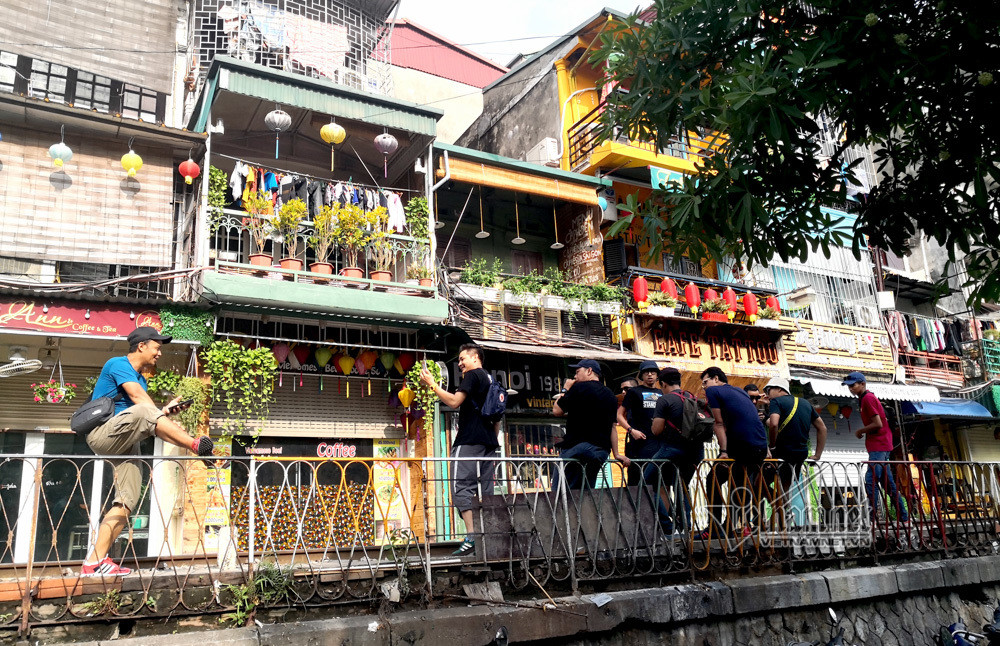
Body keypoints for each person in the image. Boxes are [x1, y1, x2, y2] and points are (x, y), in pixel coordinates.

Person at [82, 327, 214, 577]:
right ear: (141, 346)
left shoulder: (140, 378)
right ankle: (196, 445)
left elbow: (149, 423)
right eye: (157, 347)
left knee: (127, 501)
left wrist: (163, 414)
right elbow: (140, 404)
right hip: (101, 434)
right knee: (145, 410)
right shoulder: (118, 364)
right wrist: (161, 418)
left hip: (124, 440)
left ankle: (94, 562)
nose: (159, 353)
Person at [420, 343, 500, 556]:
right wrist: (492, 441)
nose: (460, 363)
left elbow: (454, 402)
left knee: (460, 488)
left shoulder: (472, 376)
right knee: (486, 491)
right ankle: (487, 539)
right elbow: (497, 417)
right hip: (489, 443)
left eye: (463, 358)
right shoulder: (491, 380)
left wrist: (432, 384)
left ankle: (472, 537)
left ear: (475, 358)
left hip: (469, 441)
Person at [701, 367, 769, 536]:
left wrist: (723, 451)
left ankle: (715, 527)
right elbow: (752, 420)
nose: (704, 387)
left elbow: (718, 423)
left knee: (713, 479)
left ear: (716, 378)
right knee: (738, 485)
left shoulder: (713, 391)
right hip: (759, 447)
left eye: (705, 382)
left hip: (742, 448)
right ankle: (728, 527)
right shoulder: (740, 391)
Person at [842, 371, 909, 523]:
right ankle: (903, 517)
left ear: (862, 384)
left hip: (879, 445)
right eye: (848, 386)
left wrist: (860, 431)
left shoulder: (868, 398)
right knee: (888, 484)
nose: (850, 389)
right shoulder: (865, 398)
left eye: (853, 385)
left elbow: (878, 423)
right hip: (880, 445)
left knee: (870, 480)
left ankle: (872, 519)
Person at [552, 359, 627, 490]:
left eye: (577, 372)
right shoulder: (610, 395)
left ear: (589, 371)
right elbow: (612, 427)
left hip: (577, 448)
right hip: (600, 451)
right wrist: (616, 454)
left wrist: (565, 388)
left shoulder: (578, 388)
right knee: (586, 491)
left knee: (559, 491)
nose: (575, 376)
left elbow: (557, 411)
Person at [647, 367, 705, 532]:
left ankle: (667, 526)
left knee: (646, 482)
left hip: (672, 449)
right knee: (682, 485)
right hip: (696, 452)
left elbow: (656, 430)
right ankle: (686, 526)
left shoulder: (665, 400)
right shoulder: (692, 397)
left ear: (663, 384)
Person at [763, 377, 827, 527]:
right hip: (799, 454)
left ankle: (777, 510)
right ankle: (779, 523)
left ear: (780, 389)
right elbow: (822, 428)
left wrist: (772, 447)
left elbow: (774, 424)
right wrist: (817, 454)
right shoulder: (805, 403)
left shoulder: (777, 402)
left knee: (758, 482)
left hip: (782, 453)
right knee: (785, 488)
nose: (767, 394)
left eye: (768, 390)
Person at [617, 361, 662, 485]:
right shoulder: (634, 392)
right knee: (636, 482)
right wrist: (631, 430)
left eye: (653, 372)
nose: (650, 374)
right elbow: (619, 415)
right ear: (641, 375)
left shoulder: (662, 393)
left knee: (658, 481)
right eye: (646, 372)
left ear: (657, 375)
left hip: (658, 443)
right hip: (638, 443)